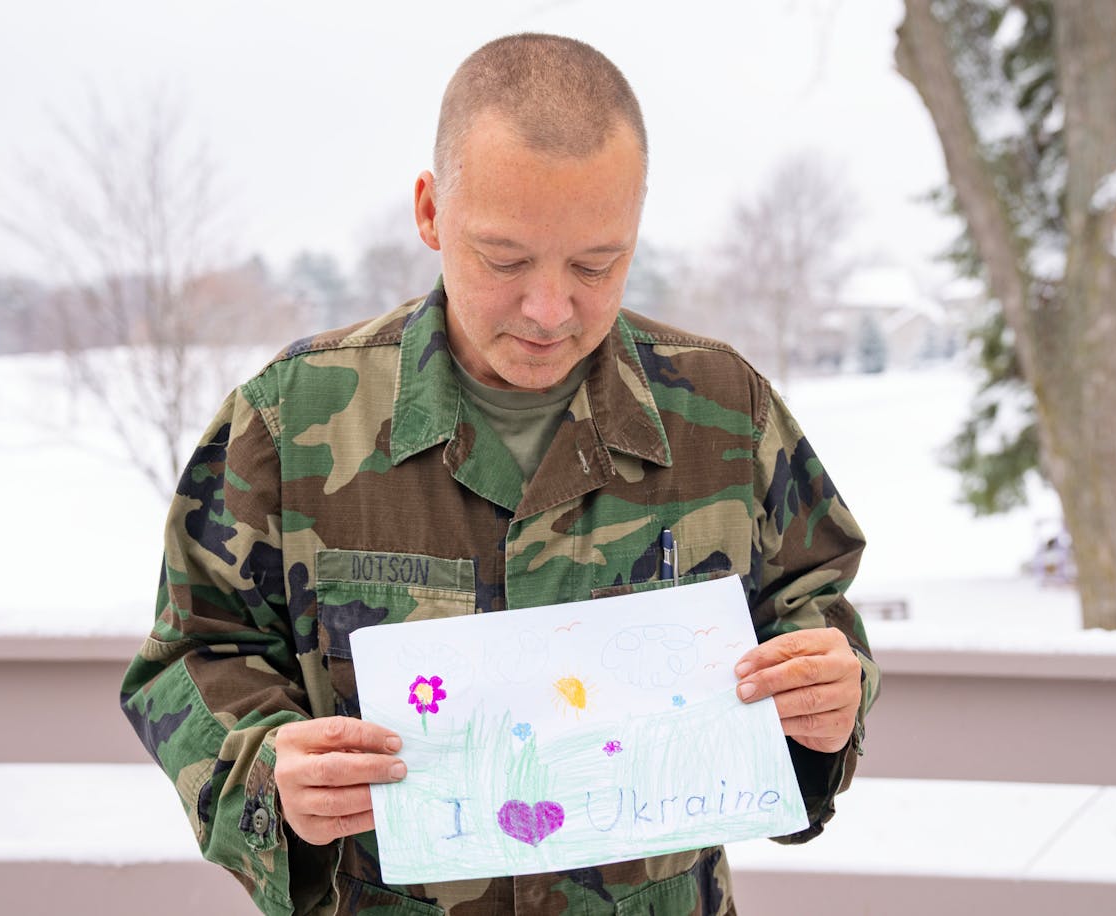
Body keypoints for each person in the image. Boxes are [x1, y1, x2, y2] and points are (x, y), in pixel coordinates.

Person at [121, 32, 879, 916]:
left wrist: (831, 691)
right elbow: (194, 652)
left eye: (597, 264)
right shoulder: (289, 421)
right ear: (432, 212)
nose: (550, 310)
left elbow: (814, 603)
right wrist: (267, 778)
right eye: (506, 260)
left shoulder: (722, 412)